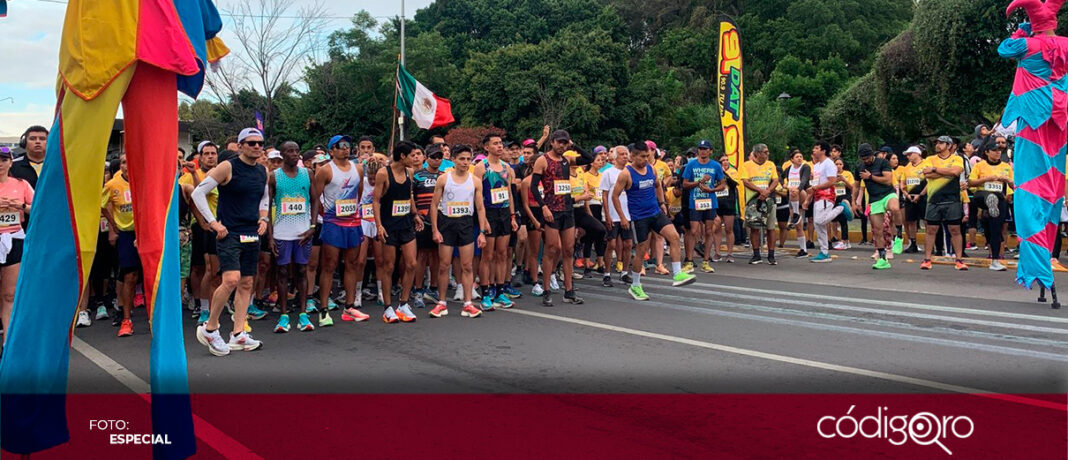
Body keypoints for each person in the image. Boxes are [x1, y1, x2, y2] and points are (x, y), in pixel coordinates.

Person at [192, 127, 270, 356]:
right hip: (229, 232)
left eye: (260, 143)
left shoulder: (262, 171)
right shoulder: (228, 166)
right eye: (251, 143)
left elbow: (264, 197)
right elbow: (198, 193)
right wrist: (213, 223)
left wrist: (264, 217)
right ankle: (210, 328)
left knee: (247, 283)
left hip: (251, 232)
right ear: (241, 145)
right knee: (230, 280)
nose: (257, 147)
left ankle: (238, 334)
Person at [611, 141, 697, 301]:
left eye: (648, 156)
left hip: (655, 212)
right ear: (633, 156)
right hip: (639, 218)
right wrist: (622, 217)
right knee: (641, 251)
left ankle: (677, 273)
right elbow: (614, 195)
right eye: (642, 157)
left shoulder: (651, 169)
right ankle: (635, 285)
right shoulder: (626, 174)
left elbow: (657, 185)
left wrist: (662, 203)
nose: (645, 159)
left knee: (674, 237)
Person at [529, 130, 595, 306]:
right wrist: (543, 207)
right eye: (559, 142)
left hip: (567, 209)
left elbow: (589, 159)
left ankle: (569, 290)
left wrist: (574, 146)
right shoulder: (543, 160)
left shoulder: (567, 159)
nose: (562, 146)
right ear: (552, 142)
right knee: (551, 249)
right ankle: (546, 290)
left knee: (568, 250)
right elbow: (534, 187)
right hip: (552, 209)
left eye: (565, 143)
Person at [312, 135, 370, 326]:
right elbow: (316, 198)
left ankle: (350, 307)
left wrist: (352, 212)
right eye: (340, 146)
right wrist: (325, 216)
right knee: (329, 265)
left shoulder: (358, 169)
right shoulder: (325, 171)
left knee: (352, 263)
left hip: (353, 223)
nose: (345, 149)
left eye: (348, 145)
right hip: (333, 223)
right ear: (331, 150)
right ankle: (324, 310)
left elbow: (359, 193)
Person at [429, 147, 489, 318]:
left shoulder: (475, 180)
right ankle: (441, 303)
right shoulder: (443, 179)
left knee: (467, 265)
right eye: (462, 159)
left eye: (468, 159)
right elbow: (434, 205)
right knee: (443, 265)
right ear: (454, 159)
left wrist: (482, 232)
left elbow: (479, 207)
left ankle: (468, 303)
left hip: (465, 224)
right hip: (447, 223)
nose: (465, 162)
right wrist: (435, 229)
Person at [268, 141, 317, 332]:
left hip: (303, 231)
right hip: (282, 231)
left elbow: (314, 200)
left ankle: (303, 314)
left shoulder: (308, 174)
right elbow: (267, 207)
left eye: (297, 151)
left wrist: (312, 226)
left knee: (302, 271)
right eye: (290, 151)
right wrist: (270, 237)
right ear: (282, 155)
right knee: (282, 272)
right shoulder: (274, 176)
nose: (295, 154)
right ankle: (283, 314)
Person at [373, 141, 424, 322]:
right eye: (412, 155)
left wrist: (415, 214)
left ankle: (403, 303)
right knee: (389, 266)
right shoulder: (383, 174)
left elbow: (409, 194)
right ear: (403, 156)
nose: (415, 159)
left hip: (406, 223)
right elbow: (376, 201)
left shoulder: (410, 172)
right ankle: (388, 307)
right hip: (389, 225)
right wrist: (379, 225)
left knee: (411, 264)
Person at [473, 134, 518, 310]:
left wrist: (513, 216)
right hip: (488, 213)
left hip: (504, 213)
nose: (499, 146)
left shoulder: (507, 167)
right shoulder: (480, 167)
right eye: (495, 144)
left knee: (503, 254)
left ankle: (500, 292)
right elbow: (477, 197)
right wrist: (482, 220)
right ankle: (486, 293)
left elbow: (509, 193)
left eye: (500, 143)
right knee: (487, 256)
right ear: (486, 147)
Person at [181, 141, 220, 325]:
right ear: (200, 157)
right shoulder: (189, 176)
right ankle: (200, 304)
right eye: (207, 153)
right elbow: (198, 193)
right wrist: (195, 173)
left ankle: (215, 304)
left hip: (221, 225)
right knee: (200, 268)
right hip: (201, 225)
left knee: (216, 270)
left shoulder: (223, 174)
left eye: (213, 153)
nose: (211, 156)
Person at [101, 154, 140, 337]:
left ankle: (156, 318)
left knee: (152, 275)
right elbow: (101, 205)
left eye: (131, 161)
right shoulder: (112, 185)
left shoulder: (144, 179)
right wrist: (113, 225)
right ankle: (126, 319)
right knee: (129, 276)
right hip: (126, 234)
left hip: (147, 232)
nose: (127, 165)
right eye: (124, 162)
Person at [920, 136, 968, 271]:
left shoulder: (957, 159)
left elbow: (956, 172)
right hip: (934, 200)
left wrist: (935, 170)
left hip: (952, 199)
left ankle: (959, 260)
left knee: (955, 229)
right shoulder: (929, 159)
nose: (938, 145)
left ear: (949, 145)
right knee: (931, 230)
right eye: (937, 143)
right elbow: (926, 174)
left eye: (941, 143)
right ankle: (927, 259)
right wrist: (946, 172)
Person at [0, 147, 33, 342]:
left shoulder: (21, 184)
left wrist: (19, 206)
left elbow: (37, 208)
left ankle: (9, 343)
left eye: (4, 159)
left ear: (11, 162)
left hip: (14, 239)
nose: (0, 163)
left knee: (9, 295)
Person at [681, 140, 725, 273]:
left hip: (710, 201)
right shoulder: (691, 165)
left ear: (710, 151)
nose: (702, 151)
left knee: (709, 231)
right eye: (700, 148)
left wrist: (712, 190)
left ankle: (706, 261)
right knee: (693, 231)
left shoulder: (716, 166)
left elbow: (723, 184)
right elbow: (684, 184)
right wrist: (699, 182)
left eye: (705, 149)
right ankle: (689, 261)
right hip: (695, 201)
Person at [968, 143, 1014, 271]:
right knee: (988, 196)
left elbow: (1013, 186)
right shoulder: (979, 165)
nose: (997, 152)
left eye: (999, 150)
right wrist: (987, 179)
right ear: (987, 152)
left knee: (995, 229)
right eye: (994, 150)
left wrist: (1008, 181)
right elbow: (971, 182)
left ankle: (995, 259)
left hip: (999, 199)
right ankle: (989, 202)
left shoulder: (1006, 167)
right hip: (981, 196)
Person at [852, 144, 896, 269]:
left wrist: (870, 177)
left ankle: (898, 237)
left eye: (868, 158)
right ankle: (883, 258)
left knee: (894, 209)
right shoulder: (860, 167)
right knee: (877, 230)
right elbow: (856, 186)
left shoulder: (883, 163)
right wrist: (854, 202)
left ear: (872, 154)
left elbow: (888, 180)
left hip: (887, 194)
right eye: (863, 159)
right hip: (874, 199)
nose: (866, 161)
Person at [808, 141, 852, 263]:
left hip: (827, 196)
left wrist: (817, 187)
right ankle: (824, 252)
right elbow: (816, 183)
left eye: (816, 148)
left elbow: (832, 181)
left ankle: (841, 208)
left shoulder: (829, 164)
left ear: (823, 151)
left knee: (819, 221)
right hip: (817, 197)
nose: (814, 150)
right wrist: (810, 194)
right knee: (819, 225)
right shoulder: (816, 166)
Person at [413, 144, 445, 308]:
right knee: (422, 256)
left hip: (441, 220)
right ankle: (418, 290)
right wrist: (415, 214)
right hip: (423, 220)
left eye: (440, 156)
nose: (437, 159)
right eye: (433, 156)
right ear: (427, 157)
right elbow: (410, 196)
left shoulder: (445, 175)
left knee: (437, 256)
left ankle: (432, 288)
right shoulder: (418, 175)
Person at [740, 144, 780, 265]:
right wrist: (760, 190)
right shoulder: (746, 165)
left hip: (769, 199)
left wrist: (767, 191)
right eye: (765, 152)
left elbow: (775, 180)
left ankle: (771, 254)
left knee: (771, 227)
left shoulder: (770, 164)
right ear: (757, 154)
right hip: (753, 200)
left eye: (767, 152)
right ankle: (756, 254)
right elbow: (745, 181)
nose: (767, 154)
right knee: (754, 227)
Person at [600, 146, 633, 287]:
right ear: (614, 157)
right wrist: (607, 215)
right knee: (611, 244)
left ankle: (624, 272)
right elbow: (605, 195)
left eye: (626, 154)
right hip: (613, 214)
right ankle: (607, 273)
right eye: (621, 154)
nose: (624, 156)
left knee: (628, 244)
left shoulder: (631, 172)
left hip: (628, 214)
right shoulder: (608, 173)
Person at [712, 154, 739, 262]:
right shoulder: (714, 171)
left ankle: (729, 253)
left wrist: (724, 174)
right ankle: (717, 252)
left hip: (729, 202)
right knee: (717, 228)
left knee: (729, 228)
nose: (725, 162)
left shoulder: (733, 171)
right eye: (722, 160)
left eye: (727, 160)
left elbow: (734, 184)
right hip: (717, 201)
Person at [899, 146, 926, 254]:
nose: (908, 156)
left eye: (910, 154)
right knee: (911, 221)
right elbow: (903, 184)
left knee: (927, 220)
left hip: (923, 196)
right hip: (910, 197)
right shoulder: (907, 168)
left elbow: (930, 182)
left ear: (917, 154)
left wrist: (920, 194)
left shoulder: (926, 164)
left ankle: (931, 244)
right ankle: (913, 243)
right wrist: (907, 194)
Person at [11, 125, 47, 190]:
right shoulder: (11, 166)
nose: (38, 142)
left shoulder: (59, 165)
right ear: (24, 143)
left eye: (42, 139)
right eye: (32, 138)